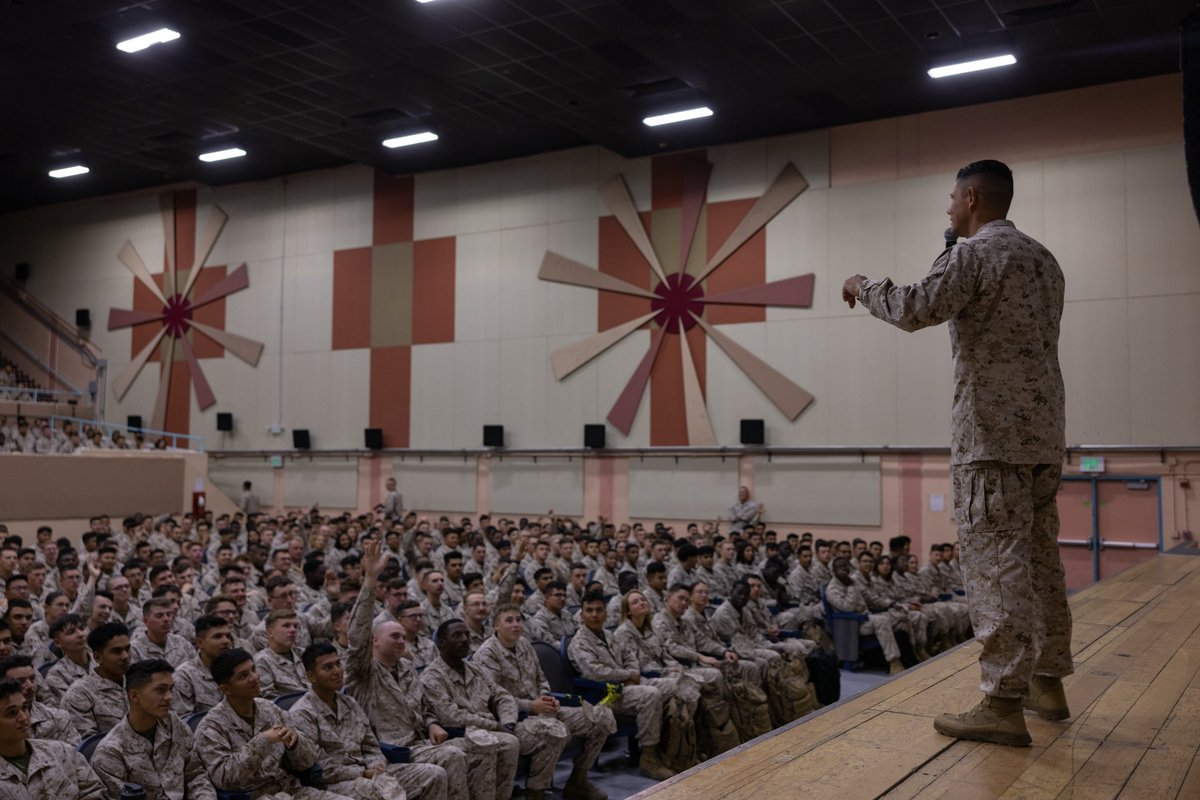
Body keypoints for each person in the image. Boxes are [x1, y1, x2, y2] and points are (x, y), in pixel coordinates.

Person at [842, 159, 1071, 746]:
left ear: (972, 197)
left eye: (951, 198)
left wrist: (862, 287)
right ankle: (1047, 680)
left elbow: (916, 307)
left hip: (991, 436)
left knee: (996, 569)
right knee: (1041, 562)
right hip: (1043, 437)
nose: (947, 208)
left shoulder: (973, 256)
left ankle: (1001, 702)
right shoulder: (1045, 261)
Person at [344, 540, 471, 799]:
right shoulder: (363, 669)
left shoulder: (406, 667)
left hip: (418, 743)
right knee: (451, 758)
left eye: (403, 637)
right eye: (394, 637)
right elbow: (357, 634)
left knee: (475, 747)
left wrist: (433, 723)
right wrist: (370, 580)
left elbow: (423, 706)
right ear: (375, 641)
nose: (402, 641)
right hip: (387, 752)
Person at [474, 603, 613, 800]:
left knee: (600, 718)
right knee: (553, 732)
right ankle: (535, 792)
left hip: (542, 709)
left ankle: (578, 781)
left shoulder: (524, 644)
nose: (516, 625)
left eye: (518, 619)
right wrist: (531, 706)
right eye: (509, 620)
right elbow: (493, 700)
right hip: (513, 721)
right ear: (495, 626)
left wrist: (546, 697)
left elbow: (541, 678)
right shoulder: (487, 655)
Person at [291, 640, 447, 800]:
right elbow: (318, 769)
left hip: (370, 771)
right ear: (311, 676)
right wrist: (363, 773)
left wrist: (376, 766)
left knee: (434, 774)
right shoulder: (302, 713)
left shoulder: (349, 703)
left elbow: (370, 745)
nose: (337, 671)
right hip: (336, 783)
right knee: (378, 793)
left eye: (338, 664)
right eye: (328, 667)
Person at [194, 648, 353, 799]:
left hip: (291, 790)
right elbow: (225, 778)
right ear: (226, 689)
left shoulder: (269, 709)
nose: (254, 677)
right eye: (243, 676)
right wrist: (263, 741)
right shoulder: (211, 727)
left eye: (253, 670)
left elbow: (307, 762)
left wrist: (295, 742)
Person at [568, 590, 674, 780]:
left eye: (599, 610)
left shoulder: (610, 635)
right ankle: (648, 758)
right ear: (581, 614)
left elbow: (630, 658)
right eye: (589, 610)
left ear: (605, 613)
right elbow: (595, 673)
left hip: (625, 689)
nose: (594, 615)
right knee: (651, 694)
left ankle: (674, 748)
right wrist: (628, 675)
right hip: (602, 698)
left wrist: (631, 673)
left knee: (675, 687)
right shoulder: (579, 643)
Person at [419, 619, 522, 800]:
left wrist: (508, 723)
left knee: (511, 741)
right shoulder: (432, 677)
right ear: (442, 644)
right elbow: (451, 716)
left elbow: (503, 696)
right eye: (457, 635)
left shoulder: (475, 668)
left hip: (490, 729)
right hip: (459, 734)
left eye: (466, 634)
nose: (465, 639)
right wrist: (495, 726)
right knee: (500, 742)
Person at [91, 658, 217, 800]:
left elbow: (195, 774)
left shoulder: (174, 724)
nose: (169, 697)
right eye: (160, 690)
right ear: (134, 696)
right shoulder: (111, 752)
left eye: (171, 689)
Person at [0, 678, 105, 798]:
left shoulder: (61, 751)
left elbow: (95, 792)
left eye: (24, 708)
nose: (24, 717)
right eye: (11, 713)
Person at [61, 621, 132, 737]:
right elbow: (88, 745)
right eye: (116, 651)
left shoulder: (140, 680)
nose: (125, 656)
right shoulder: (79, 694)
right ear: (98, 657)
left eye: (127, 649)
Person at [0, 654, 78, 745]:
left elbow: (75, 756)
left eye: (32, 679)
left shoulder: (58, 717)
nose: (30, 686)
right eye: (20, 681)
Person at [173, 613, 233, 715]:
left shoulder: (237, 668)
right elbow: (184, 722)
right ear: (200, 643)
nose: (226, 641)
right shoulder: (184, 675)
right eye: (218, 636)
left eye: (228, 636)